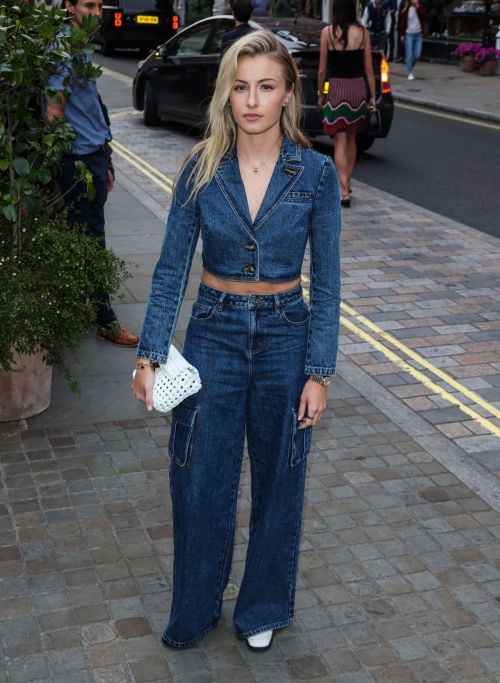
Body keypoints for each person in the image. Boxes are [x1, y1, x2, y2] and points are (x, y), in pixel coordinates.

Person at [132, 30, 340, 652]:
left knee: (281, 480)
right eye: (242, 86)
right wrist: (148, 354)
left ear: (287, 94)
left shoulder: (317, 173)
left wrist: (319, 372)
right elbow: (171, 268)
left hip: (285, 335)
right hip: (213, 334)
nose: (252, 100)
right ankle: (195, 609)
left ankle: (262, 609)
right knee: (199, 477)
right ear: (227, 94)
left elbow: (327, 283)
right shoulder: (200, 168)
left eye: (266, 87)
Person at [44, 0, 139, 346]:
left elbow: (92, 108)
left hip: (94, 157)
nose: (97, 13)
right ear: (69, 7)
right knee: (92, 241)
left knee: (86, 238)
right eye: (89, 5)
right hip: (79, 162)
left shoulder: (79, 46)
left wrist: (107, 158)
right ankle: (104, 319)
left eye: (100, 6)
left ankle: (84, 306)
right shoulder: (63, 49)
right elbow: (54, 112)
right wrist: (70, 166)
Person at [317, 0, 376, 207]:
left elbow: (323, 70)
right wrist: (373, 96)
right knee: (352, 138)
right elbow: (368, 69)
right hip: (357, 88)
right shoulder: (363, 32)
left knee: (339, 140)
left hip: (337, 88)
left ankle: (343, 191)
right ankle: (347, 182)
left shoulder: (327, 33)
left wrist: (321, 92)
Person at [398, 0, 427, 80]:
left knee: (417, 54)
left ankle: (409, 65)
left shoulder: (420, 6)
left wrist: (417, 6)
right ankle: (410, 72)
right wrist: (402, 35)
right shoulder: (406, 8)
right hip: (409, 34)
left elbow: (424, 15)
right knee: (409, 54)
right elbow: (402, 23)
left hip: (418, 34)